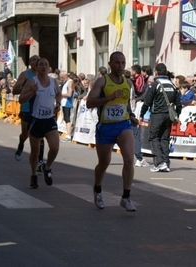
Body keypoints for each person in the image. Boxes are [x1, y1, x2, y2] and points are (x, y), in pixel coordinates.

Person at [86, 51, 138, 212]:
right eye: (117, 63)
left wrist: (132, 115)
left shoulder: (128, 83)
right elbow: (89, 103)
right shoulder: (102, 81)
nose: (120, 66)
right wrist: (109, 98)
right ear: (110, 64)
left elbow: (125, 104)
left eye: (123, 63)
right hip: (105, 126)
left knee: (129, 160)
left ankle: (126, 197)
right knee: (104, 163)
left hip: (123, 125)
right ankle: (98, 190)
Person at [19, 58, 62, 189]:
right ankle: (33, 175)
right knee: (35, 152)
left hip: (49, 119)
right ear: (37, 68)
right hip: (36, 120)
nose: (43, 67)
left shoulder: (53, 82)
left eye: (46, 64)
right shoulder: (32, 82)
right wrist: (32, 92)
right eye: (41, 65)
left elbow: (59, 94)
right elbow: (21, 99)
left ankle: (47, 167)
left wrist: (58, 103)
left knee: (55, 148)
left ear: (49, 68)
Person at [139, 63, 182, 172]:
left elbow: (147, 102)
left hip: (157, 114)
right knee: (165, 138)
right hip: (169, 116)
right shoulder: (172, 85)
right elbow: (179, 104)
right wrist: (177, 115)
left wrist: (141, 115)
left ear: (156, 72)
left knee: (153, 137)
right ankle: (166, 163)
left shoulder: (155, 84)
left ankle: (159, 162)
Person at [12, 55, 45, 168]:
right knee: (25, 134)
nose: (37, 62)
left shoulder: (43, 75)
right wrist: (28, 88)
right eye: (34, 60)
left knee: (40, 135)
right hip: (27, 108)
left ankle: (40, 161)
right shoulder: (25, 74)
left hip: (40, 109)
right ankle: (21, 145)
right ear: (30, 62)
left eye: (38, 60)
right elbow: (14, 90)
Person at [59, 71, 74, 142]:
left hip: (67, 103)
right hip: (64, 103)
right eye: (60, 77)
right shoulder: (66, 82)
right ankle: (67, 134)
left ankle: (68, 135)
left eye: (62, 77)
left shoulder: (70, 82)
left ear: (66, 76)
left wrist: (61, 95)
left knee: (67, 119)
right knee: (66, 119)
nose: (61, 79)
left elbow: (69, 94)